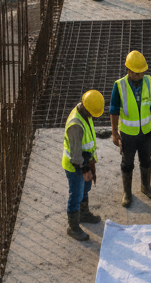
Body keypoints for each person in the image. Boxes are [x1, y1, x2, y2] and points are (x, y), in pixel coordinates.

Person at [110, 50, 151, 207]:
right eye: (134, 72)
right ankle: (127, 193)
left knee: (146, 160)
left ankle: (146, 187)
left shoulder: (149, 82)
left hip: (146, 132)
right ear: (128, 70)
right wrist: (114, 133)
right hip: (128, 134)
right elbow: (114, 110)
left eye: (140, 72)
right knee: (127, 163)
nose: (138, 75)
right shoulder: (119, 86)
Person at [63, 89, 105, 241]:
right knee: (76, 195)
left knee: (85, 189)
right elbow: (75, 155)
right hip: (76, 165)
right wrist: (85, 168)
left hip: (85, 160)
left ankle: (83, 213)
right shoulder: (75, 125)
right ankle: (73, 227)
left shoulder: (85, 113)